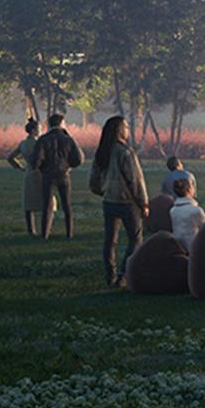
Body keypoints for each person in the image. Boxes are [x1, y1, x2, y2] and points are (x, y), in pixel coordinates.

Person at [90, 114, 149, 287]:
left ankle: (110, 275)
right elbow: (135, 180)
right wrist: (143, 203)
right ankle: (124, 275)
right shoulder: (126, 152)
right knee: (135, 239)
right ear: (119, 130)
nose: (128, 129)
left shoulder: (102, 152)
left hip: (109, 201)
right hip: (127, 202)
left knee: (110, 240)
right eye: (125, 126)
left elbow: (94, 180)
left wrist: (103, 191)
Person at [33, 111, 84, 239]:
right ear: (62, 123)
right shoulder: (68, 139)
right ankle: (69, 233)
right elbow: (79, 159)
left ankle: (45, 234)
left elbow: (36, 160)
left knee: (47, 205)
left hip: (48, 175)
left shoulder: (42, 139)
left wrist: (41, 168)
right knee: (67, 205)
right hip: (64, 175)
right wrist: (69, 166)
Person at [7, 117, 43, 235]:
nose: (40, 130)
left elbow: (10, 158)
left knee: (28, 203)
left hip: (28, 173)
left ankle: (31, 230)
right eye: (39, 128)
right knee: (45, 202)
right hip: (41, 174)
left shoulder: (23, 144)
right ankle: (45, 229)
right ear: (33, 130)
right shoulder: (39, 143)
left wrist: (20, 167)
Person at [166, 174, 205, 246]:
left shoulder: (173, 210)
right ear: (189, 190)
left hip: (177, 244)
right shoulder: (196, 210)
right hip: (193, 245)